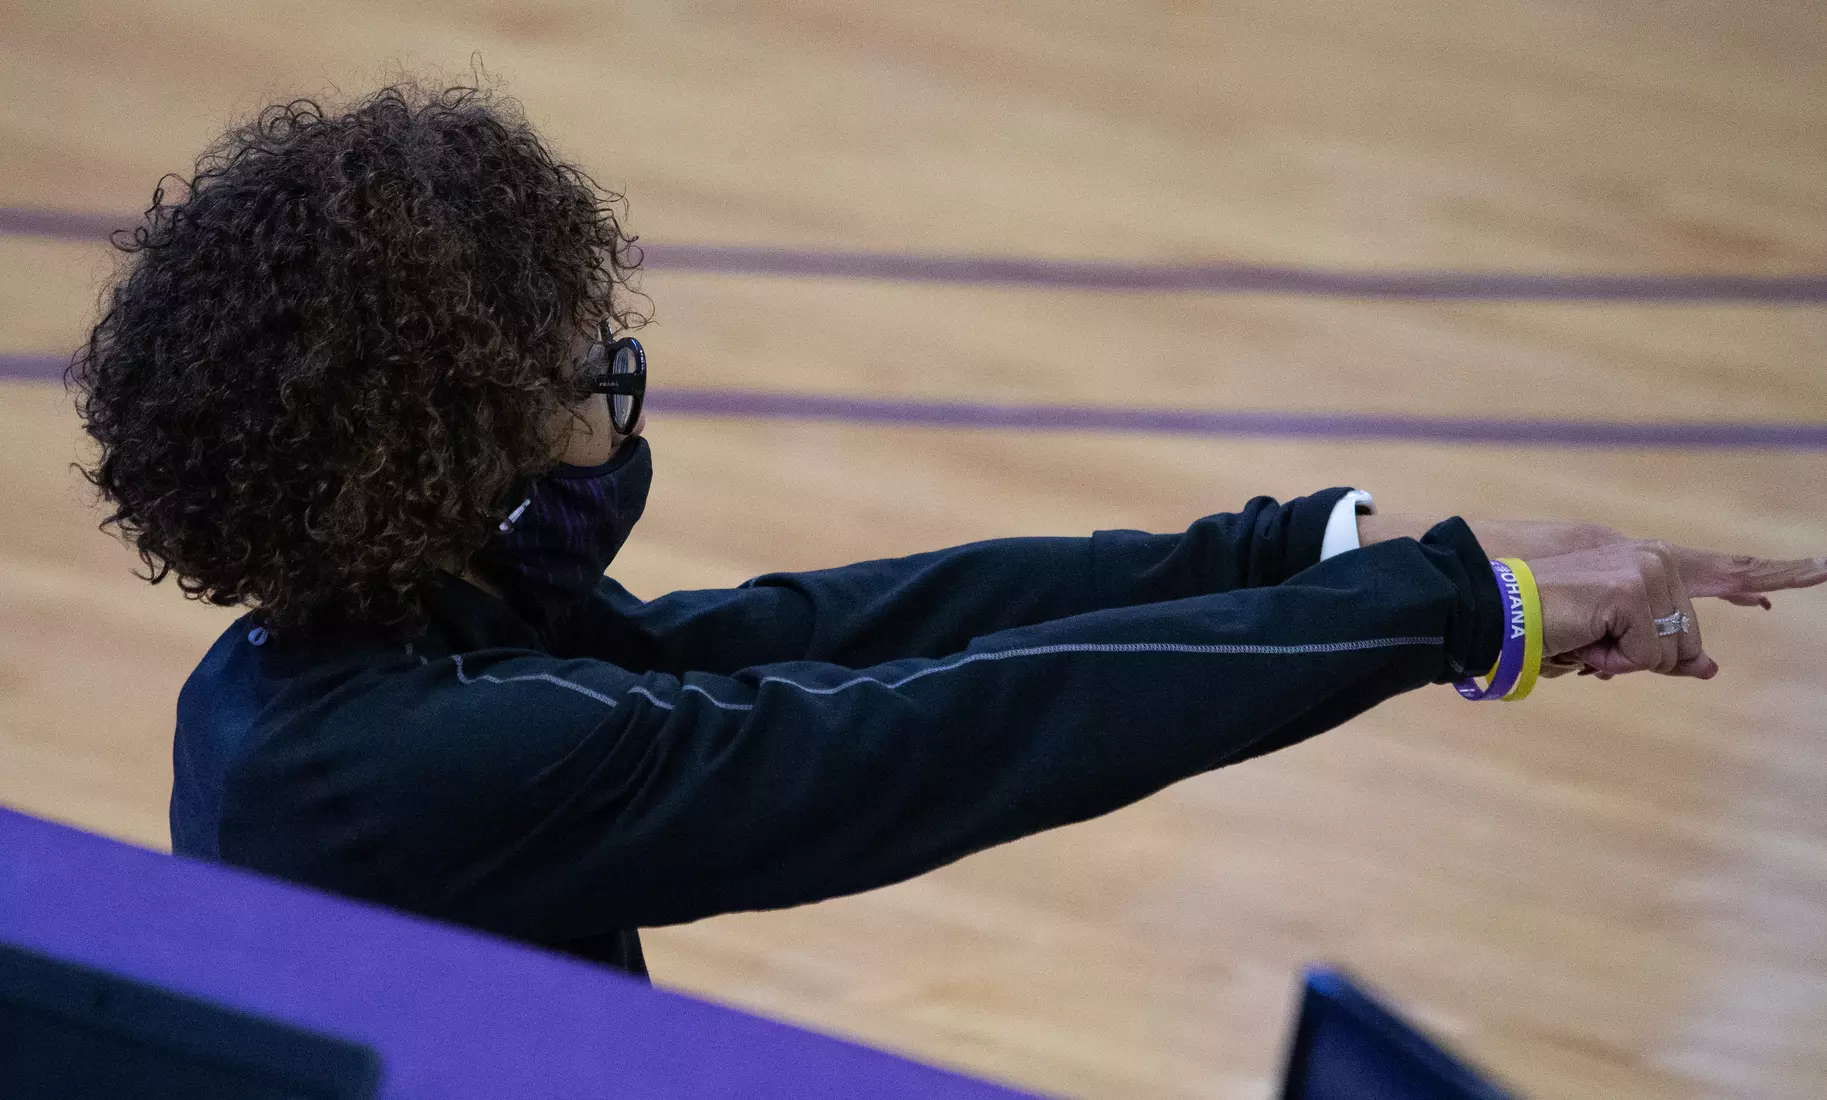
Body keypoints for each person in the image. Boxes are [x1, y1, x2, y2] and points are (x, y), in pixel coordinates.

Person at [71, 84, 1825, 979]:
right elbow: (950, 733)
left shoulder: (332, 667)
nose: (615, 411)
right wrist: (1448, 604)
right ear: (445, 445)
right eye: (581, 380)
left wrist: (1333, 549)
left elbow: (848, 630)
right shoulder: (442, 759)